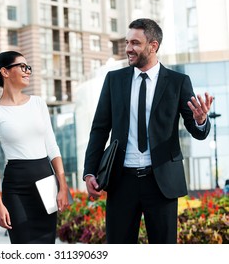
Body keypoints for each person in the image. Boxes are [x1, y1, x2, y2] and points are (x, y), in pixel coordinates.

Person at [83, 18, 213, 244]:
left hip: (161, 182)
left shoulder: (178, 82)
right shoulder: (114, 80)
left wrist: (201, 120)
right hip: (121, 181)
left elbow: (197, 131)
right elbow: (100, 129)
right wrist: (90, 172)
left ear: (153, 46)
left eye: (135, 43)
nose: (127, 49)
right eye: (126, 42)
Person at [0, 51, 70, 244]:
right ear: (4, 72)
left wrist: (62, 185)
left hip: (46, 181)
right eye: (22, 66)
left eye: (28, 67)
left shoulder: (38, 103)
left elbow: (52, 147)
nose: (27, 71)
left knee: (47, 244)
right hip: (16, 187)